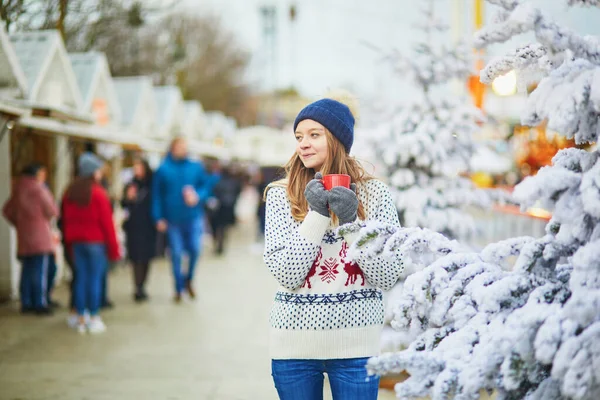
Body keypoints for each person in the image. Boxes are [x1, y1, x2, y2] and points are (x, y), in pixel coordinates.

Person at [263, 93, 405, 399]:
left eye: (314, 135)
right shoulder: (280, 195)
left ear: (338, 140)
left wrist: (351, 223)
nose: (303, 143)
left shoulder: (375, 194)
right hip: (294, 345)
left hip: (357, 346)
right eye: (299, 136)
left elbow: (388, 275)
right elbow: (288, 275)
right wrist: (316, 214)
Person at [61, 153, 120, 334]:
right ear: (92, 172)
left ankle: (80, 318)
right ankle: (94, 317)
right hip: (96, 243)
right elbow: (107, 224)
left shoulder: (69, 193)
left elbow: (65, 220)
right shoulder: (98, 194)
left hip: (76, 243)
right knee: (94, 279)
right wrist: (114, 249)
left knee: (80, 279)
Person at [152, 137, 214, 303]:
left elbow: (206, 187)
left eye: (184, 146)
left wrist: (197, 196)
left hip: (193, 218)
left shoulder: (195, 167)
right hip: (172, 221)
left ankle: (189, 279)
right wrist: (158, 217)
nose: (182, 149)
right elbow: (156, 195)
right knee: (176, 254)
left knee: (195, 250)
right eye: (179, 146)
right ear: (172, 147)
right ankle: (178, 287)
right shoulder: (163, 169)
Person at [2, 163, 58, 315]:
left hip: (24, 237)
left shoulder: (18, 189)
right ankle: (39, 303)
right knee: (40, 271)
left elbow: (6, 210)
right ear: (37, 174)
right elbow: (52, 210)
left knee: (26, 271)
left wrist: (19, 223)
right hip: (41, 237)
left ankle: (25, 303)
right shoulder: (40, 189)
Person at [121, 158, 156, 302]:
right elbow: (124, 204)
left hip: (148, 225)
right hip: (133, 226)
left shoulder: (152, 184)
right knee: (136, 257)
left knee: (146, 257)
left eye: (139, 167)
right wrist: (129, 198)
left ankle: (143, 284)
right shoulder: (131, 185)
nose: (136, 170)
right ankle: (138, 287)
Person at [208, 167, 241, 255]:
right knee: (224, 228)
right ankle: (221, 245)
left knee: (217, 227)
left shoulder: (218, 182)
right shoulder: (234, 182)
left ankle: (218, 244)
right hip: (228, 208)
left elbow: (214, 193)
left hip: (219, 209)